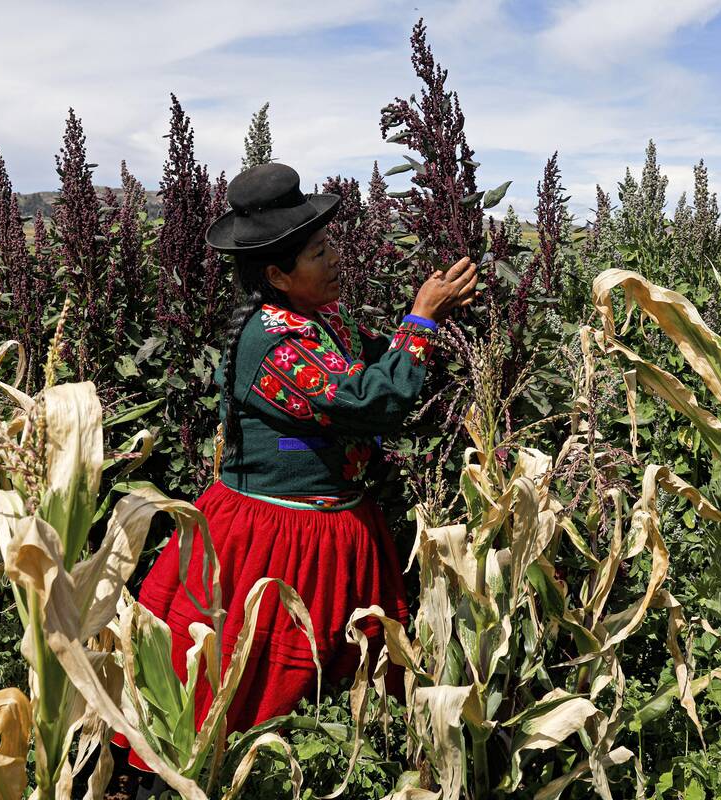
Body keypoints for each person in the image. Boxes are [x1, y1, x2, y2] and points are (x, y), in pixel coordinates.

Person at [128, 162, 476, 779]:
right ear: (277, 275)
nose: (336, 258)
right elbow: (371, 401)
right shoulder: (277, 344)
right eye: (319, 252)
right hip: (274, 542)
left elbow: (369, 364)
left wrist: (424, 325)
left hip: (330, 524)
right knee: (249, 688)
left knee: (338, 678)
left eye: (331, 243)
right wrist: (421, 320)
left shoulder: (320, 318)